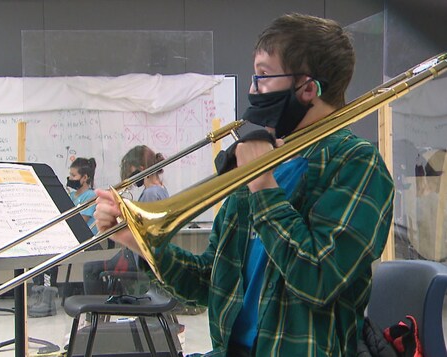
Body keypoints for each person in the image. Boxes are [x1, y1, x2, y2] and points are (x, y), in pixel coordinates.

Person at [94, 13, 394, 356]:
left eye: (264, 75)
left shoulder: (356, 163)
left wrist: (263, 183)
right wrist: (139, 241)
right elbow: (209, 282)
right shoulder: (256, 164)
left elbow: (318, 278)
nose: (253, 89)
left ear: (308, 89)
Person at [83, 145, 167, 296]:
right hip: (141, 256)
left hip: (136, 258)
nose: (130, 179)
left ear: (141, 169)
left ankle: (94, 312)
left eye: (131, 172)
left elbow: (142, 233)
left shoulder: (150, 194)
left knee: (90, 267)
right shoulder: (160, 189)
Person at [29, 157, 98, 317]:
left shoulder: (90, 196)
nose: (70, 179)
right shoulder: (72, 195)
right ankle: (40, 293)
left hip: (83, 240)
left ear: (84, 178)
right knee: (38, 250)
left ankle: (47, 299)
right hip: (69, 237)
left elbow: (80, 223)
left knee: (49, 255)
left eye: (73, 176)